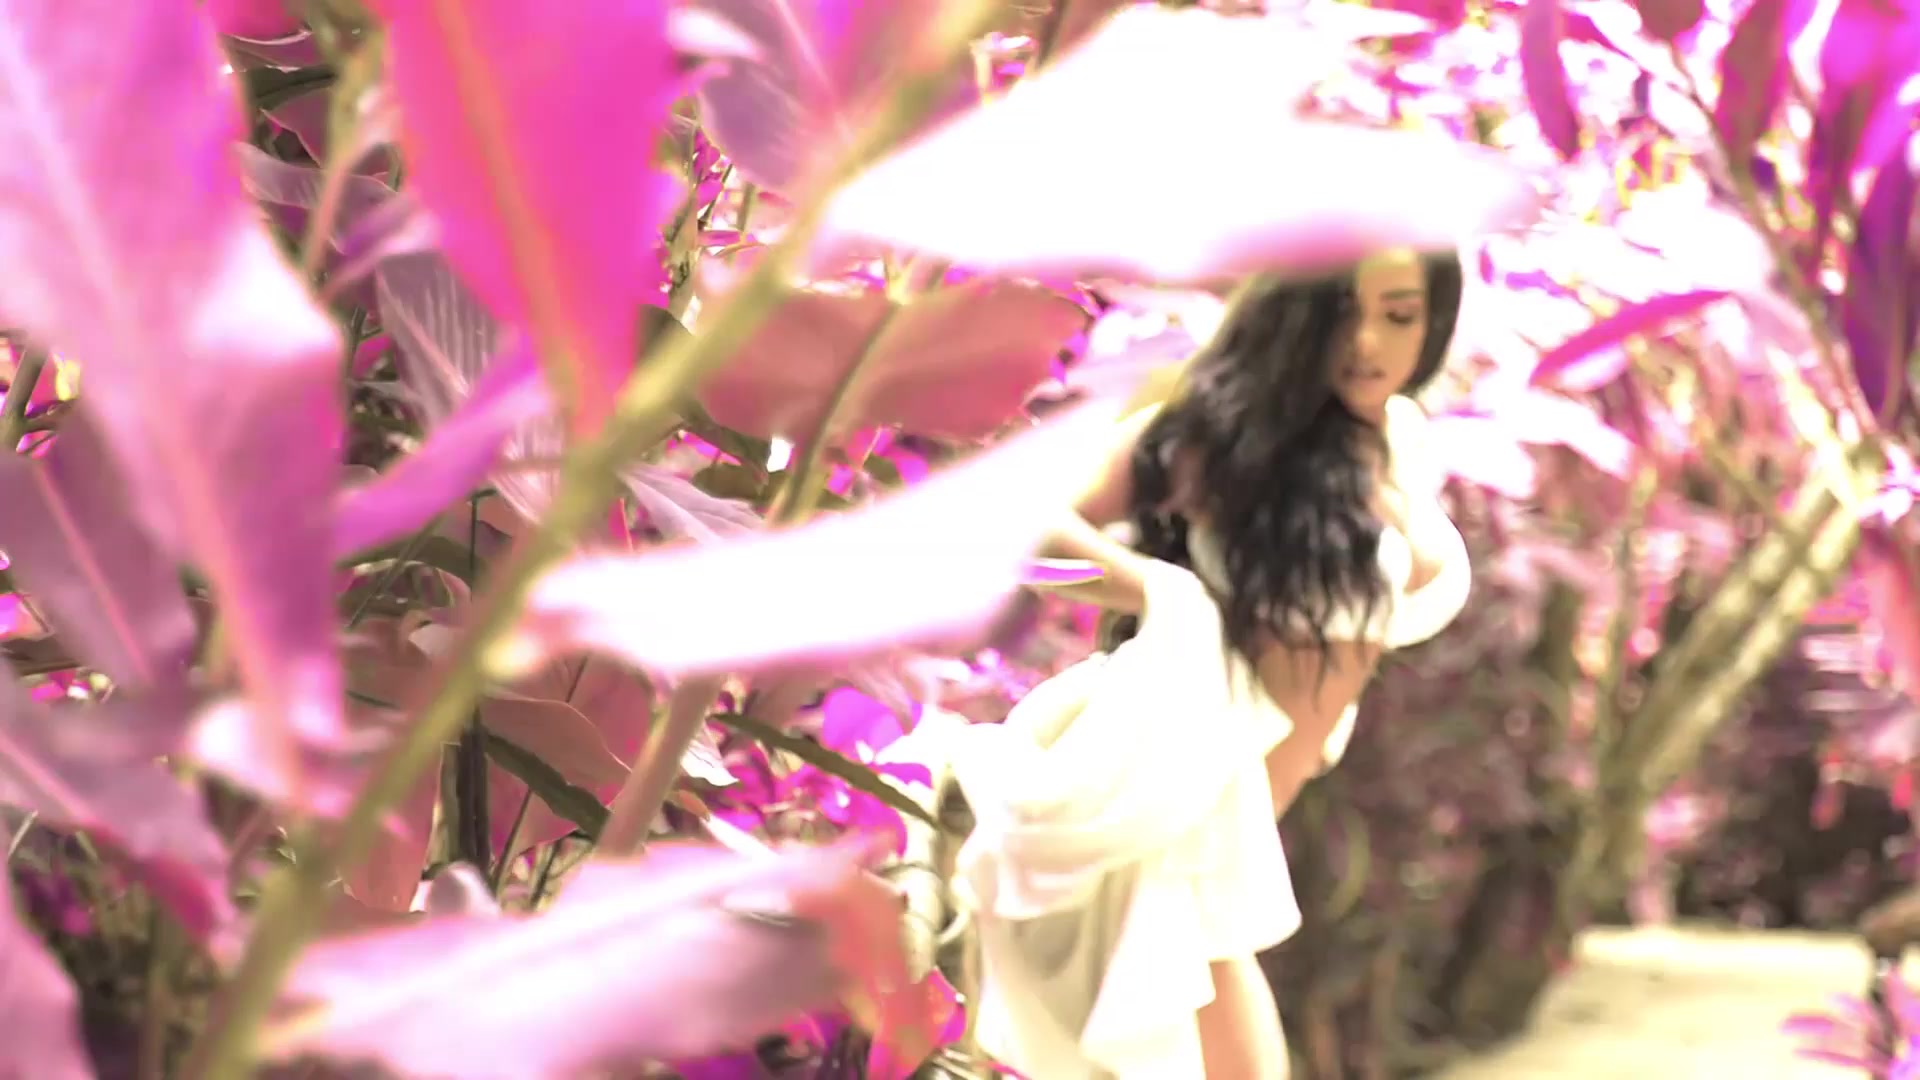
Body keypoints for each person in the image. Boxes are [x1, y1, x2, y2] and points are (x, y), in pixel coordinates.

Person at [938, 248, 1475, 1079]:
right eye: (1341, 312)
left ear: (1433, 321)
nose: (1367, 343)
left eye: (1399, 315)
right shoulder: (1221, 437)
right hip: (1189, 798)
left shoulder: (1397, 435)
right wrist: (1157, 588)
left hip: (1237, 816)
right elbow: (1025, 517)